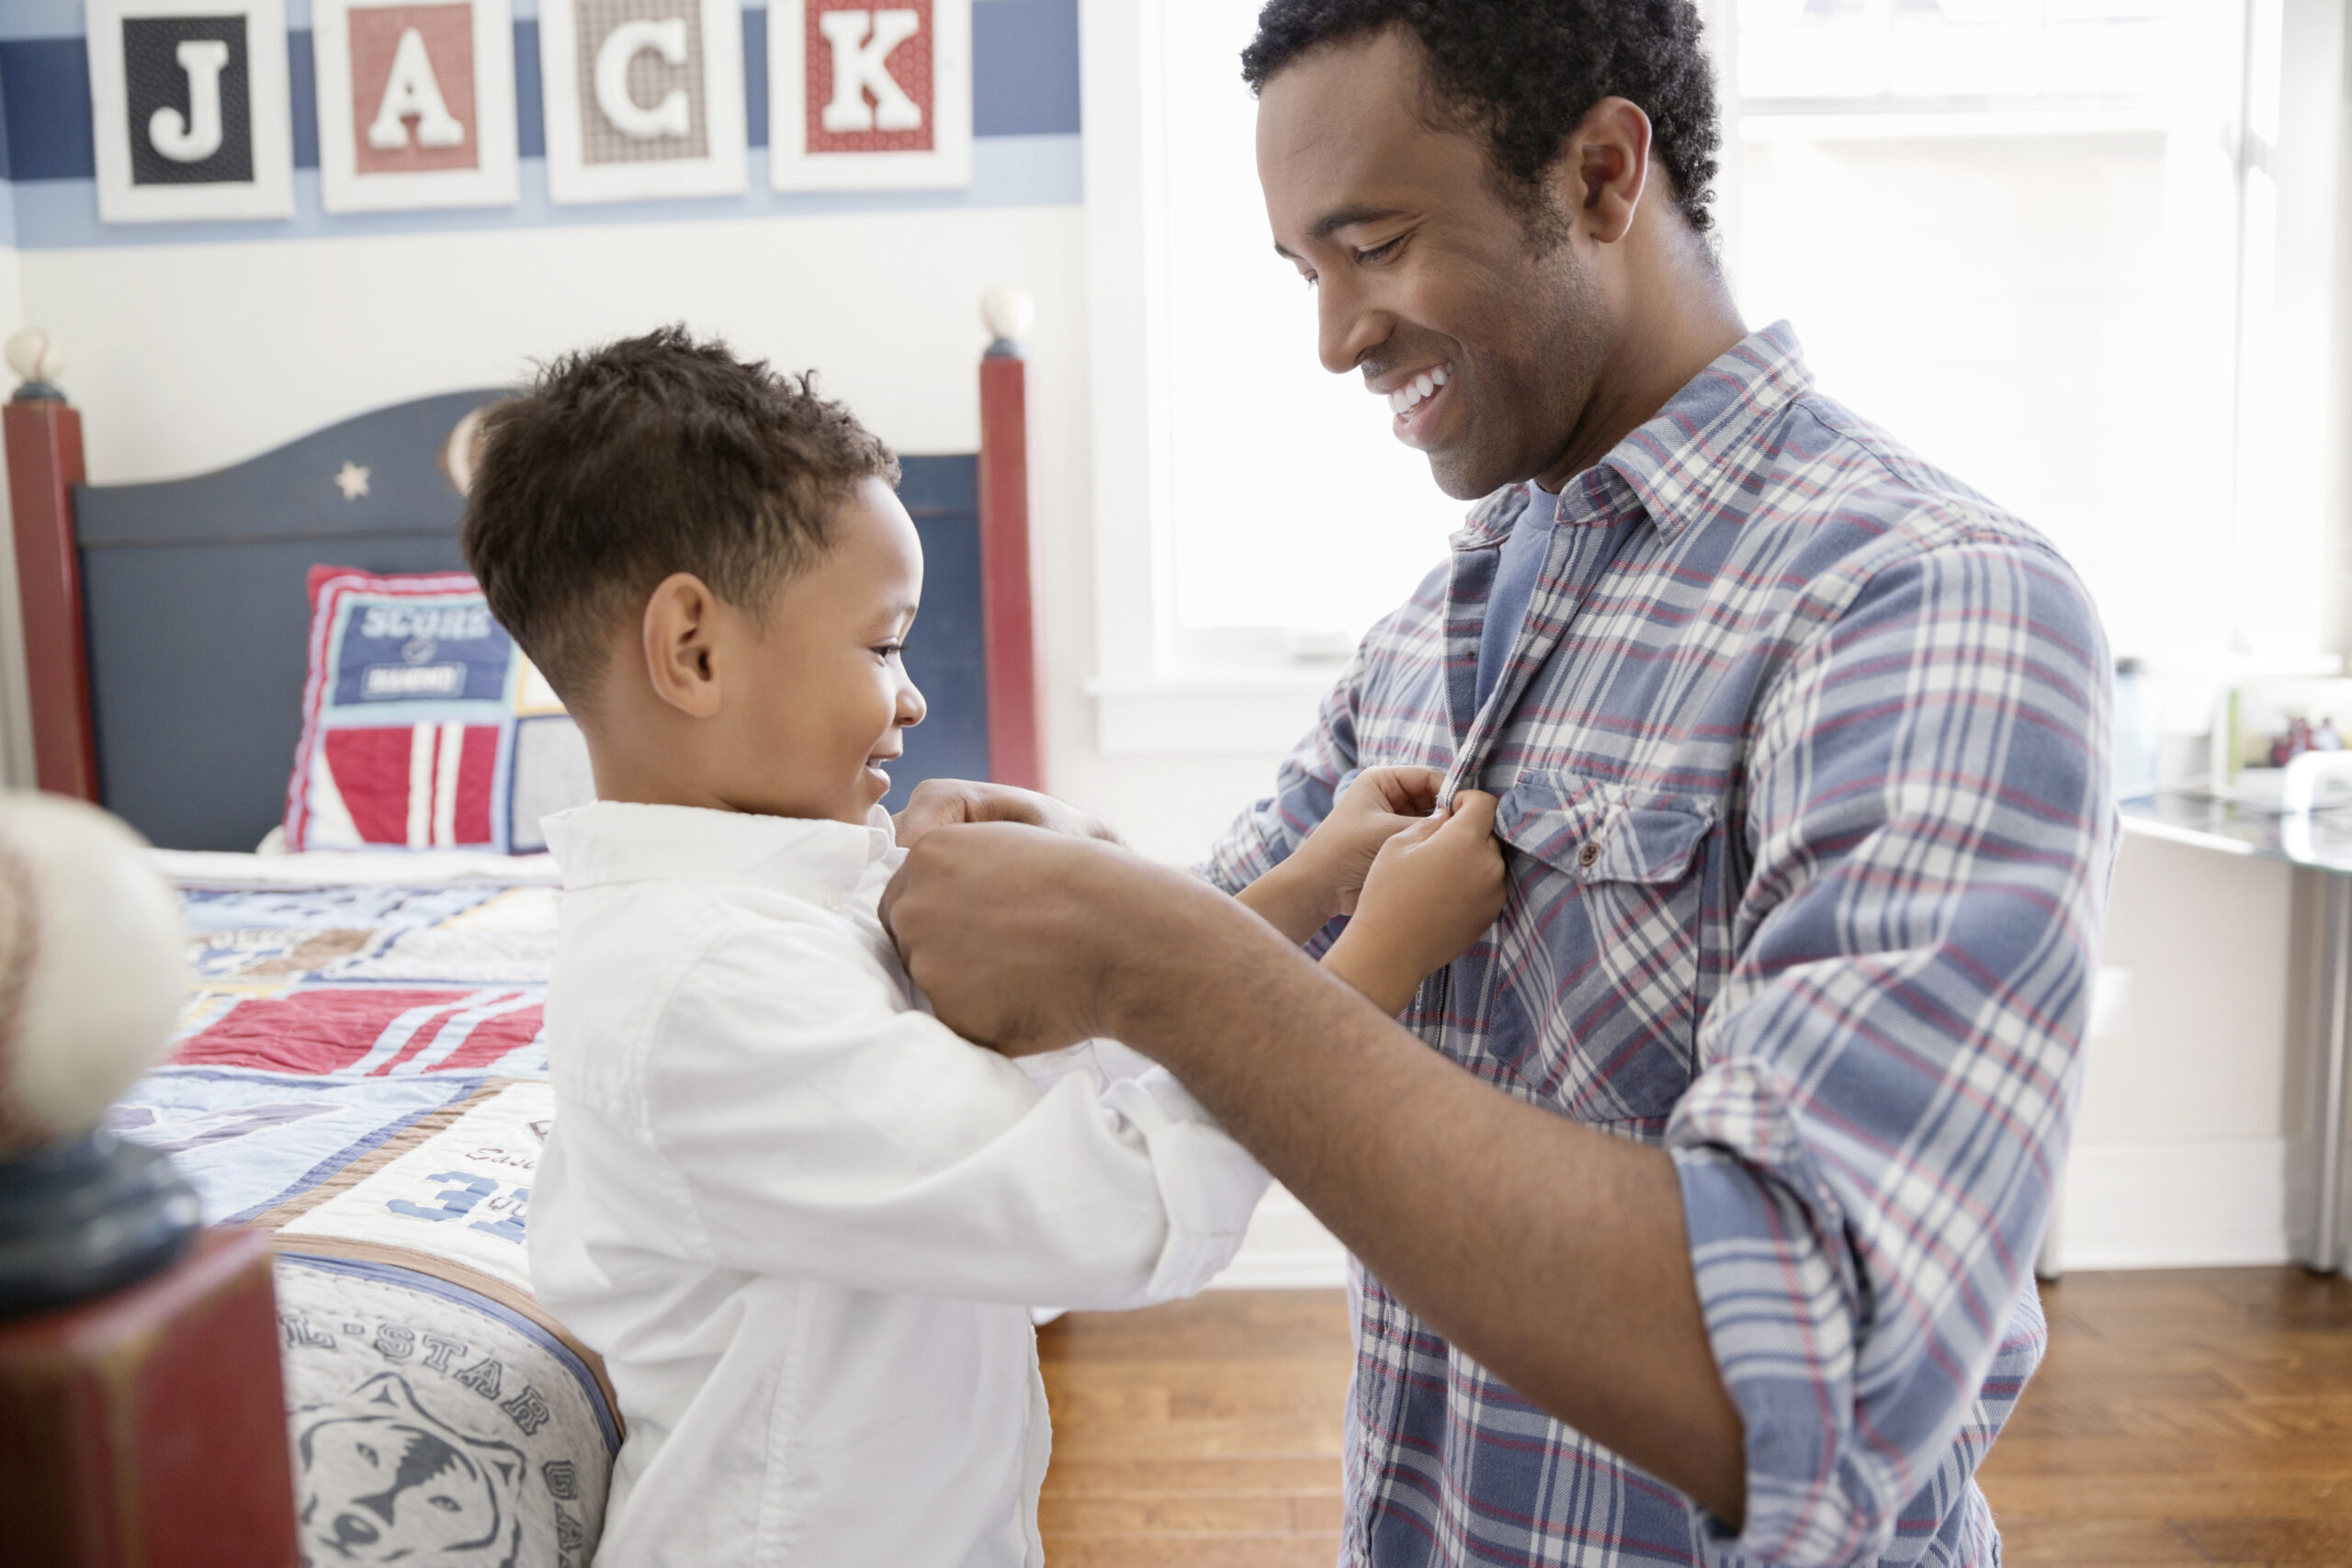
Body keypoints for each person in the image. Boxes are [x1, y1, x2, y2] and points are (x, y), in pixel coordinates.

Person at [881, 4, 2117, 1565]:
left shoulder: (1928, 603)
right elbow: (1221, 951)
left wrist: (1147, 947)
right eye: (1306, 274)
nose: (1336, 336)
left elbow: (1811, 1366)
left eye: (1377, 244)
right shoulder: (1442, 623)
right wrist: (1085, 879)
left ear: (1602, 174)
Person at [458, 328, 1510, 1567]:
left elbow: (1080, 1062)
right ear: (692, 650)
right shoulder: (707, 989)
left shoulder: (794, 912)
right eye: (882, 642)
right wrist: (1374, 959)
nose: (909, 696)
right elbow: (1120, 1203)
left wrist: (1304, 888)